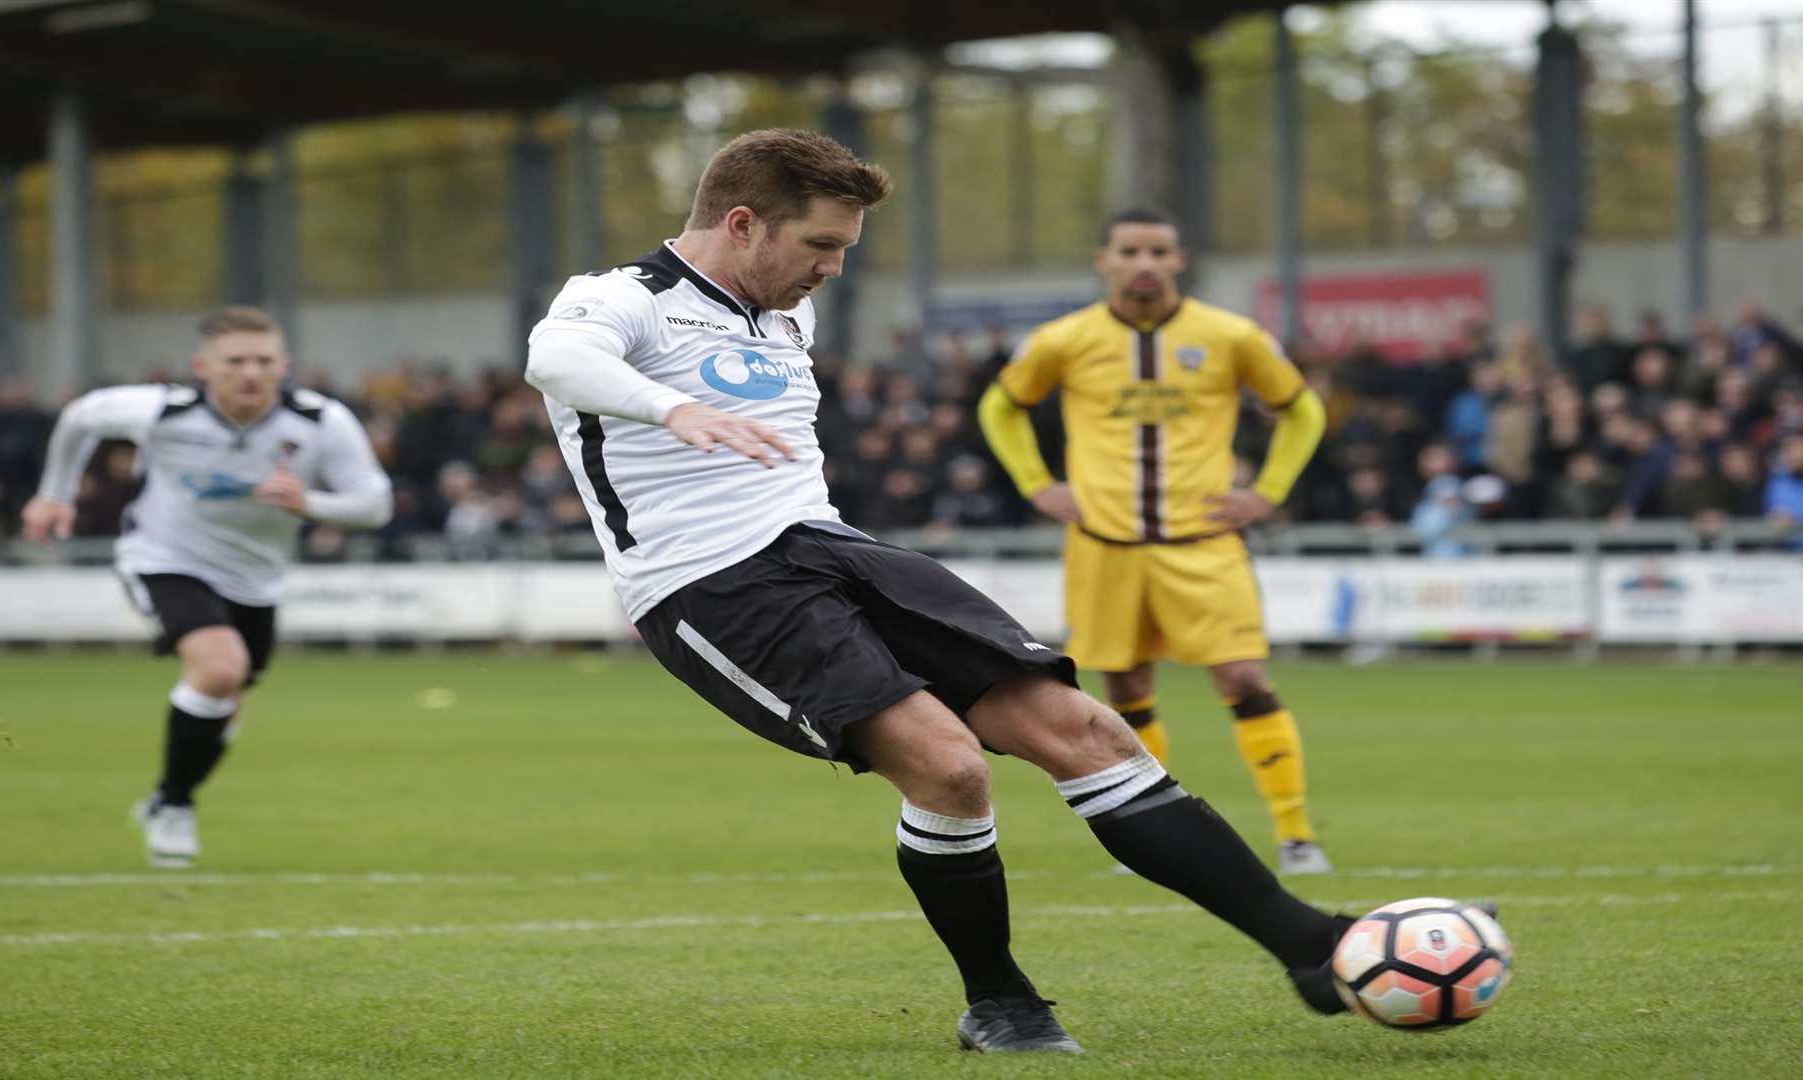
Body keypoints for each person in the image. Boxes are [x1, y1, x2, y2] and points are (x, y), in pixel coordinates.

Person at [523, 130, 1373, 1053]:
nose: (835, 269)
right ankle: (1001, 1002)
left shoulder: (786, 313)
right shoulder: (620, 300)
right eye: (821, 246)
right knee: (952, 768)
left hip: (832, 545)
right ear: (742, 224)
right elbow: (555, 363)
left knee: (1086, 730)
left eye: (845, 249)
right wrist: (672, 408)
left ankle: (1312, 946)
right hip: (713, 586)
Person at [976, 207, 1335, 875]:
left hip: (1201, 542)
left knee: (1243, 676)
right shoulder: (1064, 339)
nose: (1144, 262)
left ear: (1179, 261)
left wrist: (1270, 491)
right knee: (1125, 686)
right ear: (1103, 259)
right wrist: (1035, 483)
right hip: (1104, 544)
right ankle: (1154, 834)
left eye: (1158, 251)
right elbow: (1000, 405)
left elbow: (1302, 407)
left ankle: (1295, 834)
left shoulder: (1231, 336)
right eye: (1130, 250)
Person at [21, 306, 393, 867]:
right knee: (220, 669)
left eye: (264, 360)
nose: (251, 372)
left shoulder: (321, 422)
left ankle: (165, 800)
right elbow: (81, 416)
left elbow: (375, 505)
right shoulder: (163, 412)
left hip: (257, 579)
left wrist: (309, 502)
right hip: (165, 558)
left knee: (227, 704)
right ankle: (174, 806)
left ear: (284, 365)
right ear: (203, 366)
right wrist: (56, 494)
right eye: (235, 361)